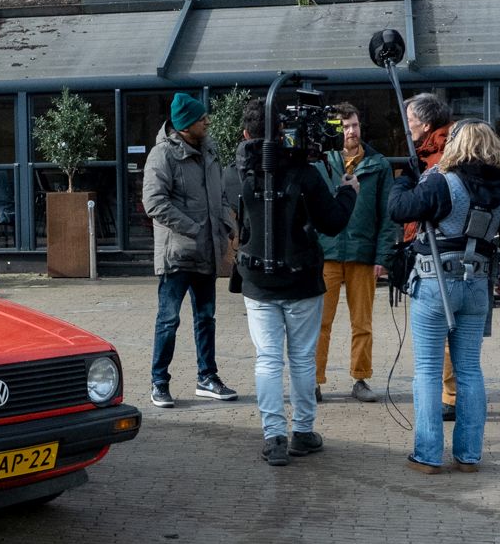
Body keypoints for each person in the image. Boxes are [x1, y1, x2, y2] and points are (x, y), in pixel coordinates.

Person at [387, 120, 500, 475]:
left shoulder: (441, 181)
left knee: (427, 370)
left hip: (435, 282)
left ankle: (428, 454)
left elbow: (399, 208)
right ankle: (468, 455)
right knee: (469, 370)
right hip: (477, 285)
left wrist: (407, 176)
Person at [234, 97, 355, 466]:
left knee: (267, 360)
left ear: (245, 133)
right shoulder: (304, 174)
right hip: (301, 278)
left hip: (257, 280)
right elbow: (332, 221)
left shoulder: (235, 172)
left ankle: (274, 438)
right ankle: (302, 431)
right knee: (301, 359)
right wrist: (349, 191)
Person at [142, 93, 239, 408]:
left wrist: (226, 225)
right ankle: (159, 383)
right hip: (177, 256)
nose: (207, 121)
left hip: (207, 252)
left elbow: (220, 195)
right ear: (185, 125)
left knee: (206, 317)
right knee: (168, 319)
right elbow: (154, 202)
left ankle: (207, 378)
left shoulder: (209, 149)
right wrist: (194, 229)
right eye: (201, 119)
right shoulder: (163, 155)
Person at [313, 104, 396, 404]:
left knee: (362, 323)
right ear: (337, 130)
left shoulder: (379, 165)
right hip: (328, 252)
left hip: (363, 253)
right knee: (320, 322)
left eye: (355, 125)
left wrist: (383, 257)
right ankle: (314, 380)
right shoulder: (323, 163)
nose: (351, 131)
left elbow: (387, 215)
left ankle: (360, 378)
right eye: (345, 126)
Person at [403, 93, 459, 421]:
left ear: (424, 124)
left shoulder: (442, 155)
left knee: (443, 334)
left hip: (441, 255)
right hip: (432, 251)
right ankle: (449, 393)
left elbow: (415, 205)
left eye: (409, 120)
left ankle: (449, 398)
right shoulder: (429, 150)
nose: (406, 127)